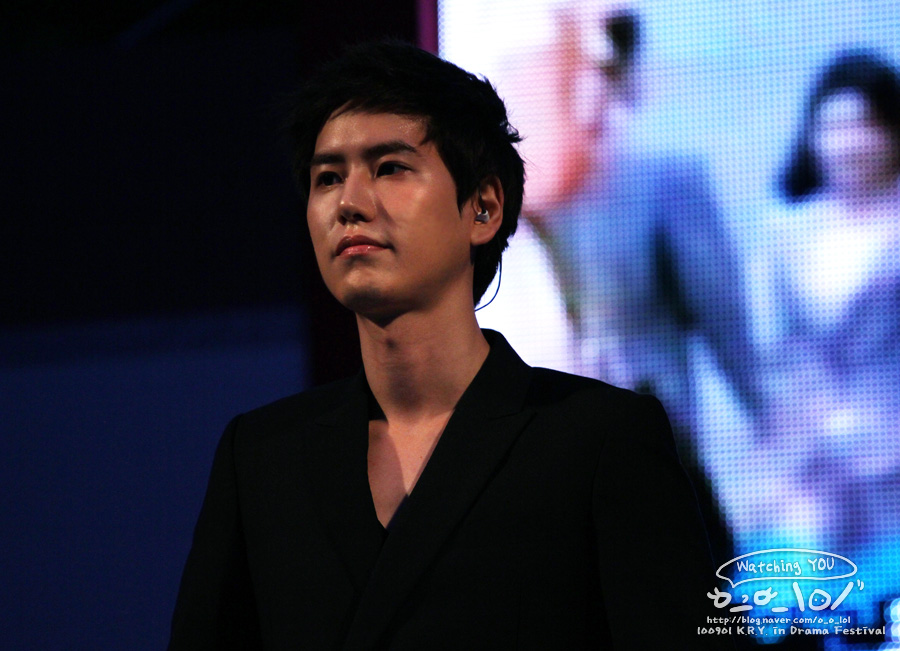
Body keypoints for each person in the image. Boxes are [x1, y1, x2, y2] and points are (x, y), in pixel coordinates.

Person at [168, 41, 730, 650]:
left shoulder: (600, 439)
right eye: (328, 178)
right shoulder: (262, 457)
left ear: (483, 208)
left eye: (389, 168)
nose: (349, 203)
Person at [731, 50, 900, 615]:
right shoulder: (787, 231)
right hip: (806, 469)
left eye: (865, 125)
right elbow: (773, 356)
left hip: (892, 469)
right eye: (832, 128)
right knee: (789, 614)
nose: (848, 144)